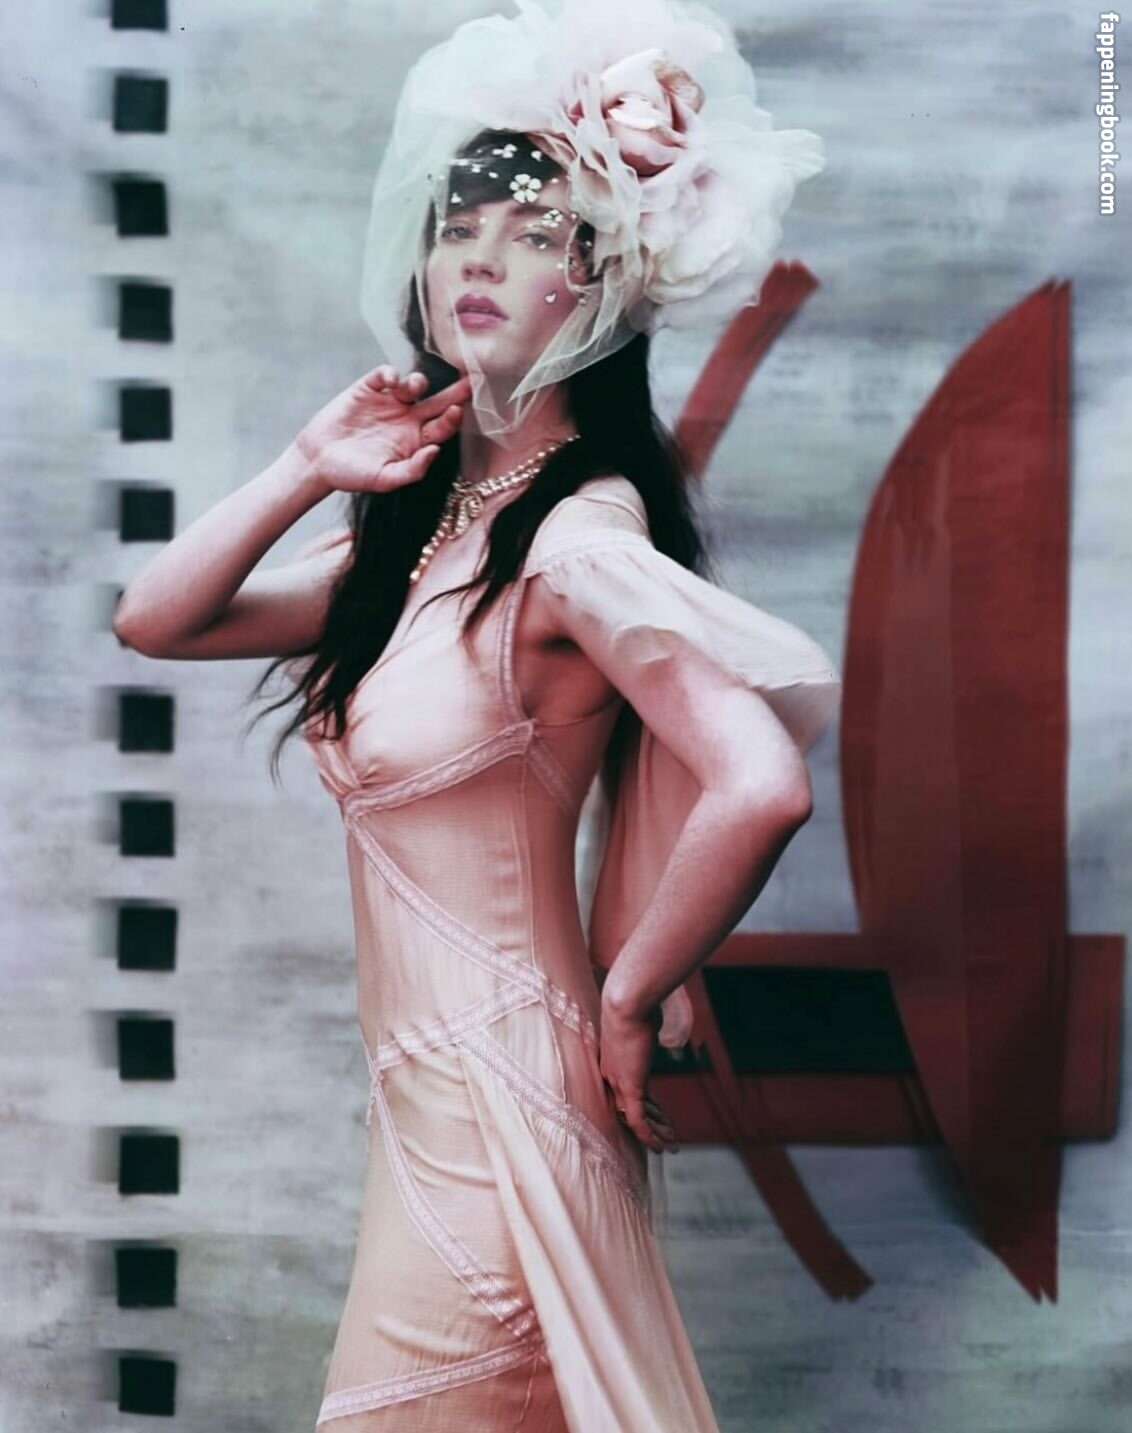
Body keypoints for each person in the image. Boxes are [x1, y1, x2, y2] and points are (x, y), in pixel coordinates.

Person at [113, 2, 841, 1427]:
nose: (480, 261)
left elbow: (761, 780)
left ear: (607, 286)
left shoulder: (574, 541)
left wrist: (629, 995)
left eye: (535, 234)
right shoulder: (431, 537)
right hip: (433, 1113)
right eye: (458, 229)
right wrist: (309, 465)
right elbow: (157, 618)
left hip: (510, 1103)